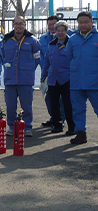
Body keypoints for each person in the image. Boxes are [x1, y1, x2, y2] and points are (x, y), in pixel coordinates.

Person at [1, 16, 40, 137]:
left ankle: (27, 127)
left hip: (25, 80)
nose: (18, 26)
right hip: (10, 79)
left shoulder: (32, 40)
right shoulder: (6, 40)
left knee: (26, 106)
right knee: (10, 105)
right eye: (16, 24)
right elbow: (2, 56)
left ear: (25, 25)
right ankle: (12, 127)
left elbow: (37, 58)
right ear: (13, 25)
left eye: (21, 23)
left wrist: (28, 68)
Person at [66, 11, 98, 144]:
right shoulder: (73, 39)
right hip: (76, 82)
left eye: (86, 22)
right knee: (78, 109)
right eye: (80, 22)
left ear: (92, 22)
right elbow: (69, 57)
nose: (83, 24)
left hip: (95, 82)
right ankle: (81, 134)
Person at [40, 20, 74, 135]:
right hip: (53, 79)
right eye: (58, 30)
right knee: (54, 103)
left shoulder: (71, 43)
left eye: (62, 30)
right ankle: (57, 125)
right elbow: (47, 61)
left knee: (68, 104)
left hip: (67, 79)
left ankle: (71, 127)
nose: (60, 33)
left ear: (66, 31)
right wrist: (43, 75)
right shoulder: (51, 45)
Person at [39, 15, 59, 127]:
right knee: (48, 97)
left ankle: (62, 119)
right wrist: (45, 70)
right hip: (48, 73)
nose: (52, 27)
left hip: (63, 73)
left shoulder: (69, 36)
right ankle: (54, 117)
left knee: (63, 98)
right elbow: (41, 57)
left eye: (54, 24)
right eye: (50, 24)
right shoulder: (43, 38)